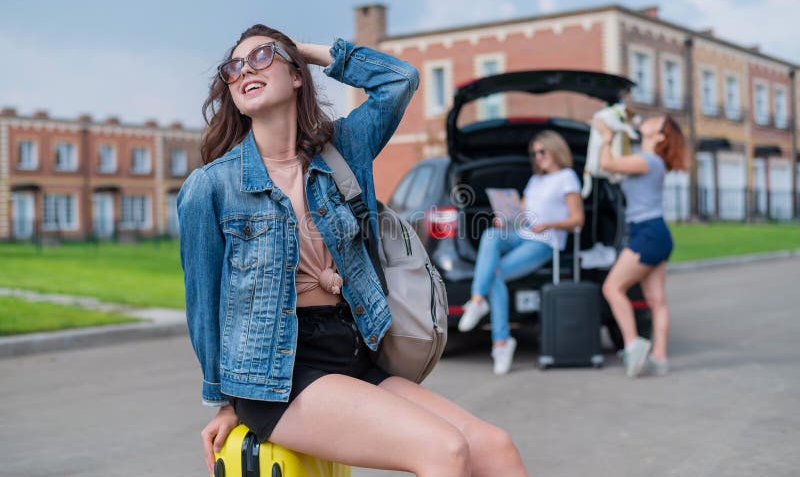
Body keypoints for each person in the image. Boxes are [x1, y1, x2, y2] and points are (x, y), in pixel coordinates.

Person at [177, 24, 528, 477]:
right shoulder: (210, 187)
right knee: (443, 452)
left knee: (495, 448)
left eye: (262, 57)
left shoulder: (342, 151)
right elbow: (203, 306)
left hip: (352, 352)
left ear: (297, 74)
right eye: (234, 67)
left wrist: (304, 50)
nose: (245, 70)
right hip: (276, 377)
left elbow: (399, 79)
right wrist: (223, 402)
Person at [458, 131, 585, 375]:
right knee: (491, 235)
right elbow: (522, 213)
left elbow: (578, 220)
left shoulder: (567, 178)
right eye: (534, 154)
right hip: (521, 234)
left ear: (555, 149)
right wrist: (506, 219)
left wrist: (550, 224)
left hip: (545, 241)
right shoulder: (535, 180)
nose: (538, 157)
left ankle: (501, 342)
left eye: (542, 152)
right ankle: (477, 302)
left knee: (495, 273)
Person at [596, 114, 687, 378]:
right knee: (656, 300)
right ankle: (659, 358)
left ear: (660, 136)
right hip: (655, 231)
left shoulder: (647, 161)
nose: (648, 120)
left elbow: (607, 164)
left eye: (654, 121)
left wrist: (607, 137)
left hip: (647, 232)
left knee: (612, 287)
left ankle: (633, 344)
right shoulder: (651, 162)